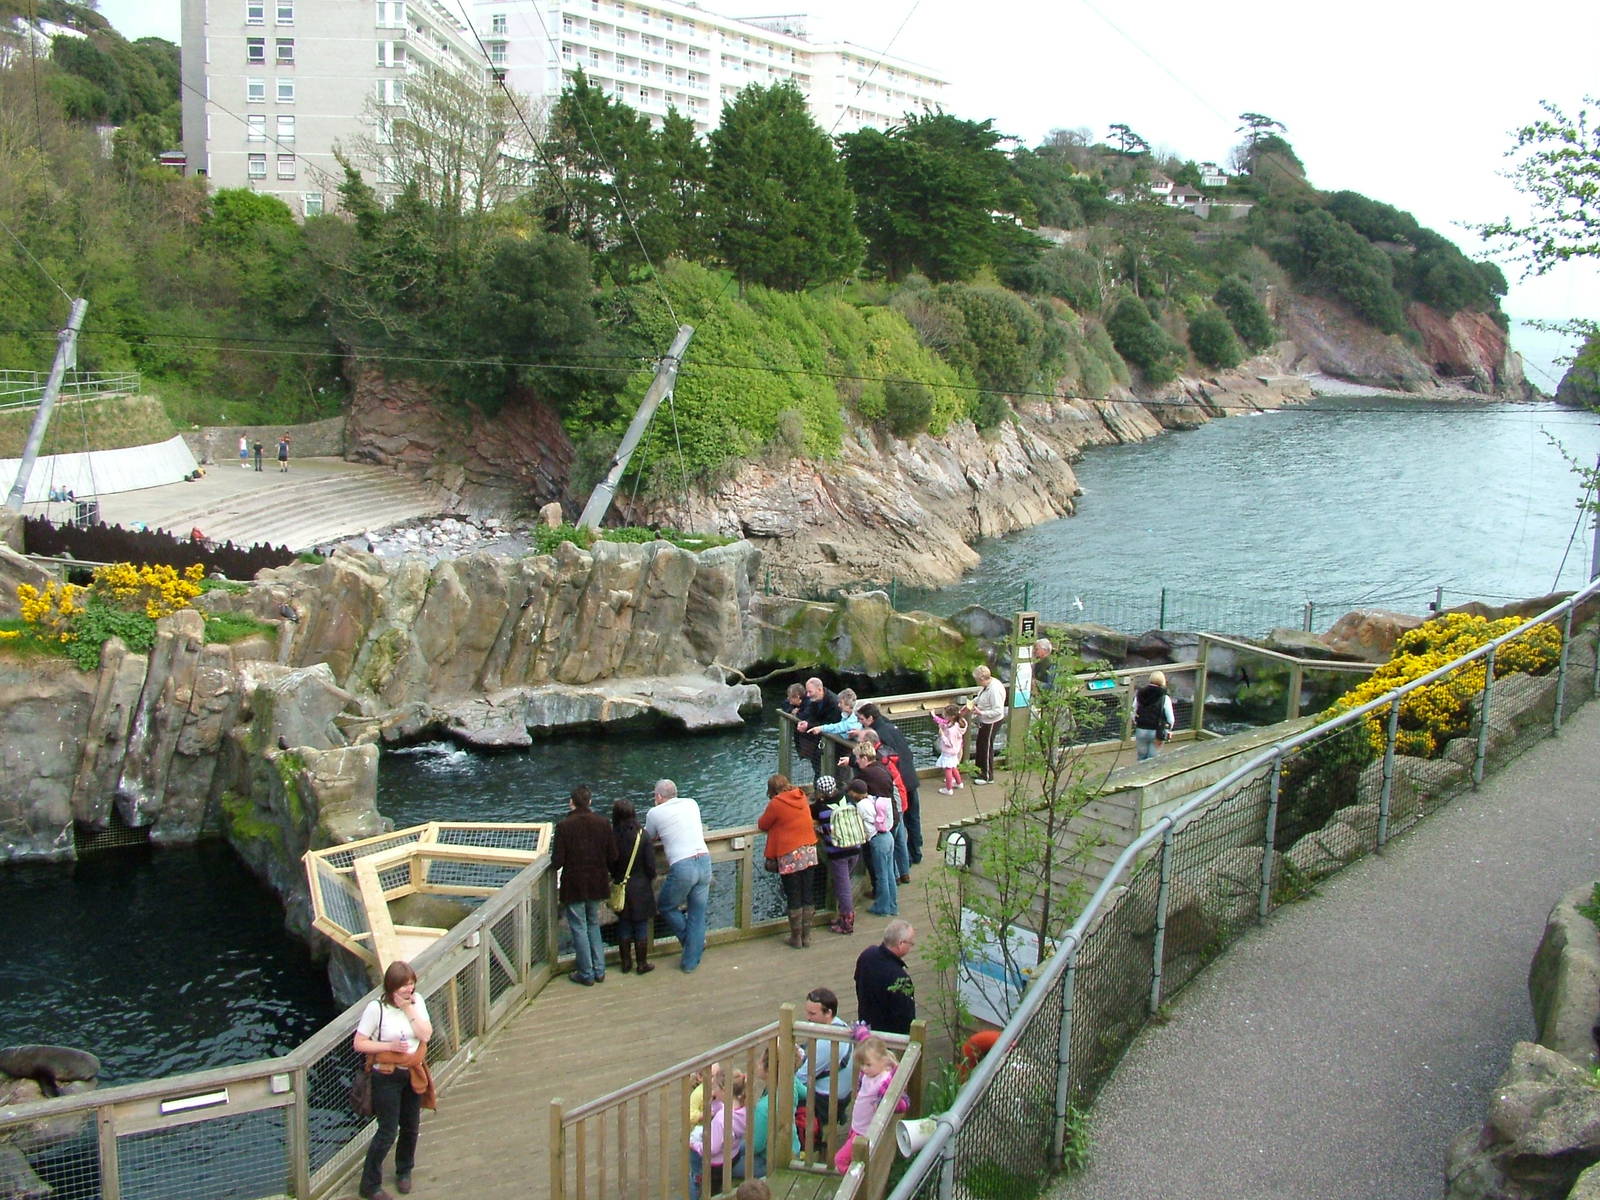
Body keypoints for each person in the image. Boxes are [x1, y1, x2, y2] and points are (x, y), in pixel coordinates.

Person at [353, 960, 436, 1200]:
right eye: (403, 986)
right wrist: (389, 1045)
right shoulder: (376, 1009)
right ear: (391, 987)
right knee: (387, 1130)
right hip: (386, 1074)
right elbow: (360, 1043)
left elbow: (425, 1034)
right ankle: (369, 1184)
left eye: (411, 985)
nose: (408, 990)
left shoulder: (417, 1002)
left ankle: (404, 1171)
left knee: (411, 1125)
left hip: (412, 1071)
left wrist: (409, 1009)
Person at [551, 784, 618, 986]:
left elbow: (557, 862)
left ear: (571, 803)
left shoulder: (563, 826)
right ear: (589, 802)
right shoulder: (603, 823)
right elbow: (613, 855)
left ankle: (586, 973)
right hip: (597, 882)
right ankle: (600, 969)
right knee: (593, 924)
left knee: (579, 927)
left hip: (574, 884)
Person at [645, 779, 712, 972]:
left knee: (666, 906)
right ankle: (690, 961)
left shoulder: (654, 812)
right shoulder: (691, 803)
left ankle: (692, 946)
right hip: (704, 860)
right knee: (697, 914)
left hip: (683, 865)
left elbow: (649, 837)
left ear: (658, 796)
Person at [856, 702, 922, 867]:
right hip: (910, 777)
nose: (860, 722)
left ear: (871, 718)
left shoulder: (880, 735)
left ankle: (904, 859)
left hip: (900, 782)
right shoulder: (890, 727)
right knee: (913, 818)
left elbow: (876, 757)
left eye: (862, 719)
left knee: (900, 822)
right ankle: (916, 851)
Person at [758, 772, 820, 949]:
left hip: (789, 853)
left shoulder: (776, 803)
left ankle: (796, 937)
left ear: (772, 789)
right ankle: (807, 936)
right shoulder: (801, 796)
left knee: (793, 895)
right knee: (807, 893)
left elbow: (763, 824)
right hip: (808, 849)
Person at [833, 1034, 909, 1174]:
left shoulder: (884, 1081)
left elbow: (901, 1103)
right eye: (862, 1064)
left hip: (864, 1133)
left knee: (840, 1160)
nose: (864, 1069)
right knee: (855, 1158)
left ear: (883, 1061)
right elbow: (868, 1043)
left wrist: (886, 1097)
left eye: (868, 1065)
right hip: (856, 1127)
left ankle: (854, 1184)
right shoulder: (869, 1074)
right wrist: (862, 1034)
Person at [795, 986, 854, 1132]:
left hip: (826, 1102)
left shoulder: (826, 1043)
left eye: (812, 1013)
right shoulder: (841, 1026)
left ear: (828, 1012)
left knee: (780, 1095)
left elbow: (801, 1078)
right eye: (807, 1012)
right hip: (843, 1095)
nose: (808, 1018)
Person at [610, 798, 657, 975]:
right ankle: (642, 963)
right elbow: (650, 865)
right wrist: (650, 878)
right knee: (641, 926)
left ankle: (625, 962)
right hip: (641, 885)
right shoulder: (642, 835)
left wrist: (616, 877)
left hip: (621, 885)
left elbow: (611, 863)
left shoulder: (613, 836)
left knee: (623, 925)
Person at [811, 776, 861, 935]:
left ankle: (847, 923)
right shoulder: (847, 798)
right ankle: (841, 916)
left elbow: (810, 817)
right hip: (855, 845)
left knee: (843, 887)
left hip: (838, 852)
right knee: (847, 881)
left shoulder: (819, 808)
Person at [854, 919, 916, 1035]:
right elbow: (905, 1017)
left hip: (866, 1029)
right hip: (889, 1037)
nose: (911, 946)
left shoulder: (867, 955)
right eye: (911, 943)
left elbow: (858, 982)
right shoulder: (900, 979)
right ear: (901, 943)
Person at [963, 665, 1007, 784]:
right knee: (980, 745)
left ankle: (988, 776)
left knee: (987, 747)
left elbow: (998, 710)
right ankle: (979, 770)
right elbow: (980, 698)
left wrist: (981, 712)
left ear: (982, 678)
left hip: (992, 721)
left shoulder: (994, 689)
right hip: (985, 720)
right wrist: (970, 704)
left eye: (977, 679)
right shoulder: (986, 686)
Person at [793, 677, 842, 779]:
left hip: (834, 744)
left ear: (819, 690)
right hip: (818, 742)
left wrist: (809, 725)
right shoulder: (814, 701)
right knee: (818, 769)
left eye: (810, 692)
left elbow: (831, 723)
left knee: (834, 773)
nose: (807, 695)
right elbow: (811, 715)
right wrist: (805, 722)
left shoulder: (834, 703)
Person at [1133, 670, 1176, 761]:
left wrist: (1136, 722)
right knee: (1152, 758)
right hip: (1157, 731)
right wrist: (1168, 729)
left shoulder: (1140, 694)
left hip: (1141, 729)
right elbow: (1170, 719)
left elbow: (1133, 711)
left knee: (1141, 756)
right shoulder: (1165, 698)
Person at [932, 704, 968, 794]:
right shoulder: (958, 724)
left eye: (945, 715)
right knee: (953, 767)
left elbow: (949, 743)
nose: (944, 716)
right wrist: (943, 726)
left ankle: (948, 789)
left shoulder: (952, 730)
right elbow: (946, 724)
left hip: (949, 751)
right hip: (955, 750)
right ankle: (959, 783)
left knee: (948, 769)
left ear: (951, 716)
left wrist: (942, 734)